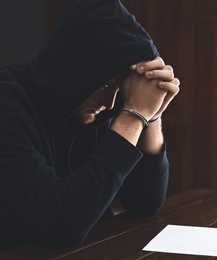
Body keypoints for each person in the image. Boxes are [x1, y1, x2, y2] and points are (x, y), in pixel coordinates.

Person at [0, 0, 180, 251]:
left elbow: (144, 202)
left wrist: (152, 114)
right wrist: (133, 116)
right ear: (72, 69)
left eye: (119, 89)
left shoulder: (96, 108)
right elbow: (62, 222)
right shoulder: (7, 106)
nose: (109, 103)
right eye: (105, 86)